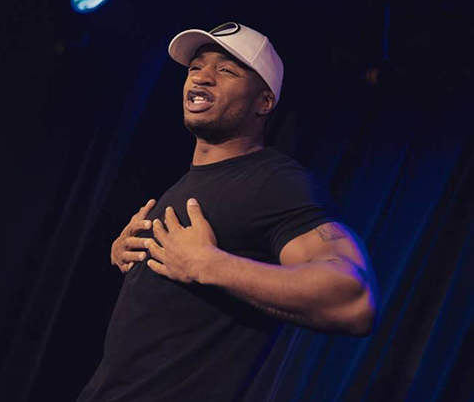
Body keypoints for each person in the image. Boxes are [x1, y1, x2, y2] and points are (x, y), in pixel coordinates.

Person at [76, 22, 377, 402]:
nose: (202, 77)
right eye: (195, 67)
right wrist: (131, 257)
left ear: (263, 102)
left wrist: (210, 265)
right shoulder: (187, 184)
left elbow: (353, 299)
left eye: (226, 70)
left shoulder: (274, 181)